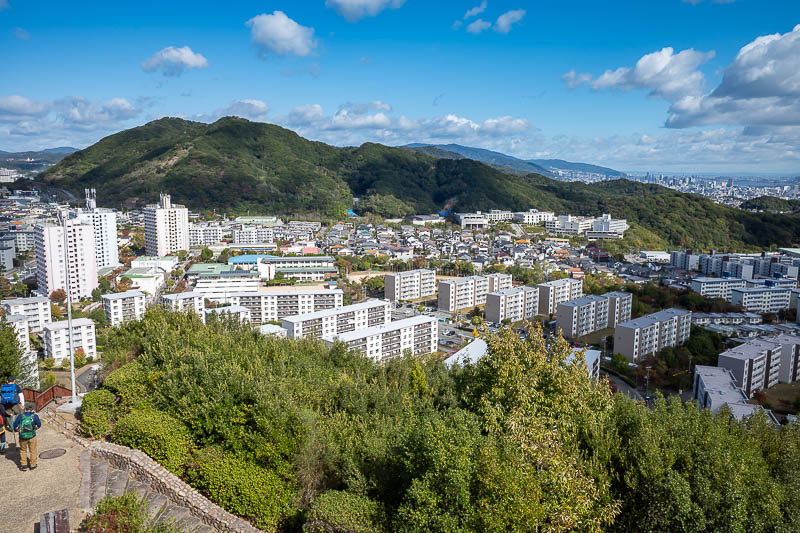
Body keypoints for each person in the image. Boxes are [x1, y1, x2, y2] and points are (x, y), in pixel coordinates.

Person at [13, 404, 41, 470]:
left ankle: (24, 465)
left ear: (25, 409)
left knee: (23, 450)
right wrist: (35, 429)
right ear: (32, 410)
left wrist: (17, 430)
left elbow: (14, 426)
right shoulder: (34, 416)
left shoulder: (20, 416)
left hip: (22, 437)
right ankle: (33, 465)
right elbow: (39, 425)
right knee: (33, 451)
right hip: (32, 436)